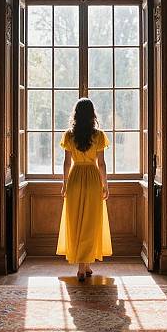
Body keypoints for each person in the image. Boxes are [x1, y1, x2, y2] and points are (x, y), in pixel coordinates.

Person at [56, 98, 112, 281]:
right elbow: (102, 164)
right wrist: (105, 184)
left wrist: (64, 183)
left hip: (75, 178)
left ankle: (85, 264)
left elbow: (66, 163)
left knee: (76, 222)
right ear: (92, 115)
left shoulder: (68, 135)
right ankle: (82, 266)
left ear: (76, 114)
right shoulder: (99, 136)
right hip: (93, 179)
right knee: (90, 222)